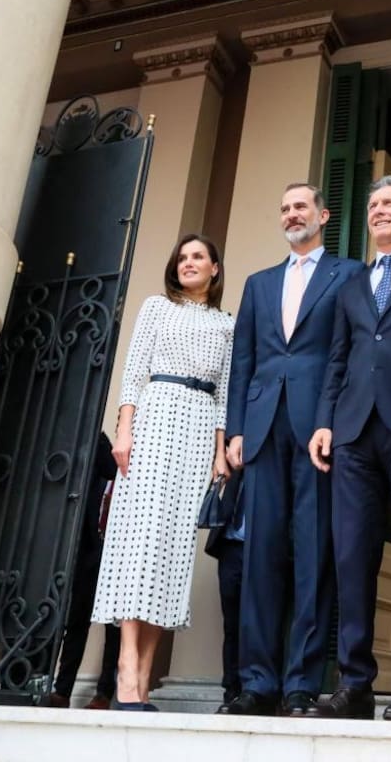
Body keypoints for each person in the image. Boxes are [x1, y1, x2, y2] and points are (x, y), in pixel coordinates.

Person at [224, 183, 365, 717]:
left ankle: (301, 685)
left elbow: (349, 351)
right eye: (283, 208)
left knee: (312, 555)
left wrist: (333, 421)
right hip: (261, 429)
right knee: (259, 556)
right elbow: (243, 360)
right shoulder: (259, 284)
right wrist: (236, 429)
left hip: (317, 431)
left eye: (299, 206)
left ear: (323, 215)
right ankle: (256, 683)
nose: (290, 215)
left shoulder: (348, 274)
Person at [306, 176, 391, 722]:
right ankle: (355, 685)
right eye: (372, 204)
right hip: (352, 430)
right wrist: (324, 422)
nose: (379, 211)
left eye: (389, 204)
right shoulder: (353, 284)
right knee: (351, 556)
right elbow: (339, 358)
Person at [91, 234, 234, 711]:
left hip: (197, 433)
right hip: (155, 418)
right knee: (141, 546)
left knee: (172, 556)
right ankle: (126, 668)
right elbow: (133, 373)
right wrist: (125, 430)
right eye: (183, 258)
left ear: (215, 269)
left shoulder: (226, 325)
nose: (189, 263)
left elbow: (225, 396)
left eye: (199, 257)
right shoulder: (155, 307)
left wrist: (218, 452)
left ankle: (144, 677)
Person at [48, 433, 120, 709]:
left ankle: (104, 693)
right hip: (91, 556)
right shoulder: (98, 478)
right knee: (77, 623)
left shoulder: (138, 480)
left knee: (115, 630)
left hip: (119, 560)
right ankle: (61, 690)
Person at [203, 466, 245, 714]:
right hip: (230, 545)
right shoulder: (234, 450)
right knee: (232, 624)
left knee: (259, 622)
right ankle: (231, 691)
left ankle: (259, 688)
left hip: (263, 549)